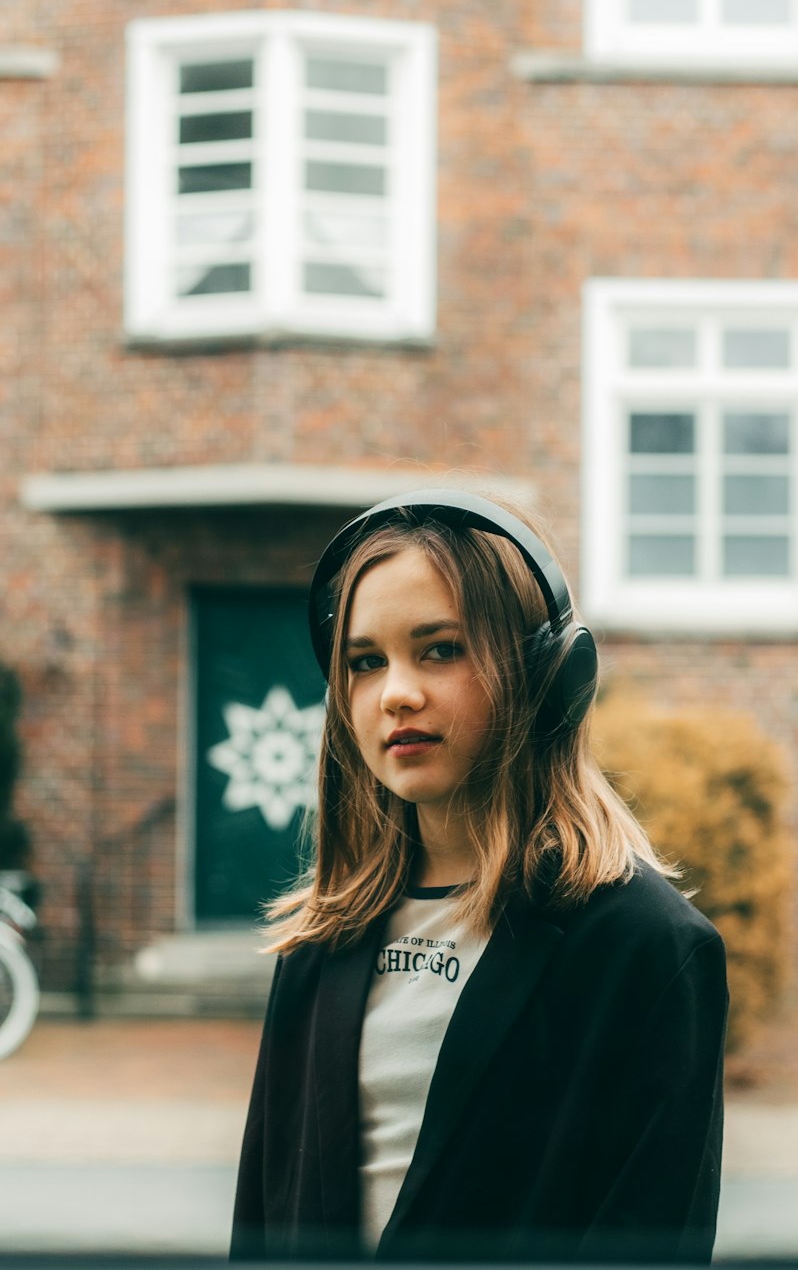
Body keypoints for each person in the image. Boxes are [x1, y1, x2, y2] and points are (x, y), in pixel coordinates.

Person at [231, 490, 728, 1264]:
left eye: (439, 649)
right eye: (366, 662)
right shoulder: (319, 943)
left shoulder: (645, 948)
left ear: (548, 674)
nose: (397, 691)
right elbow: (261, 1224)